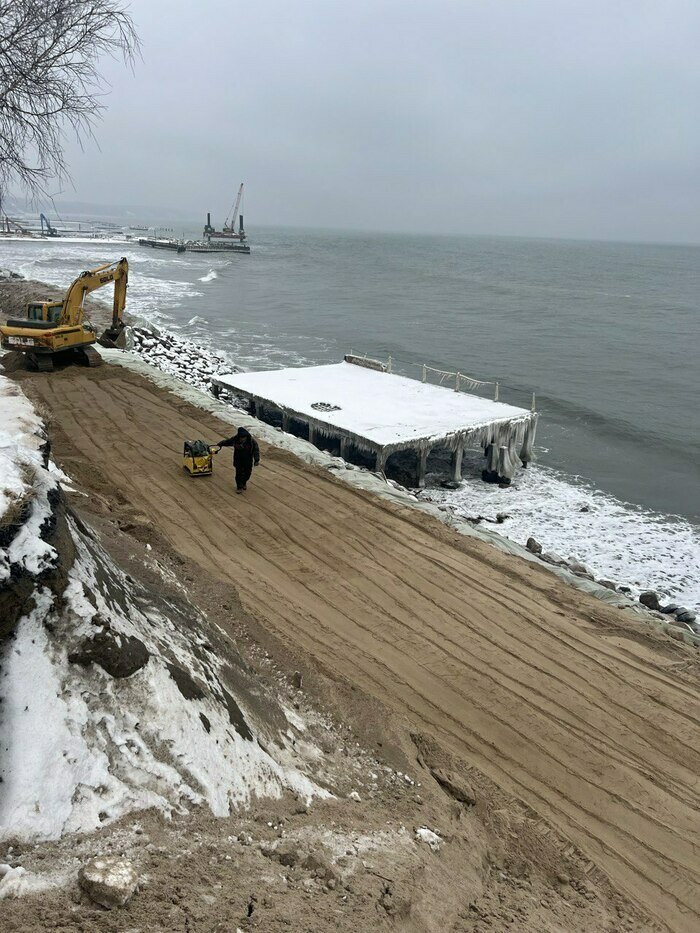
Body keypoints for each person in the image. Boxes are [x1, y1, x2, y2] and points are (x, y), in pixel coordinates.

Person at [217, 427, 260, 493]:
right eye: (241, 437)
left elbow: (256, 450)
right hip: (238, 459)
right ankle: (239, 487)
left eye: (243, 437)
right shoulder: (235, 439)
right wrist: (221, 443)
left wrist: (256, 460)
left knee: (247, 473)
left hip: (248, 460)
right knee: (239, 474)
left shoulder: (252, 442)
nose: (242, 439)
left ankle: (244, 482)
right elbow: (228, 442)